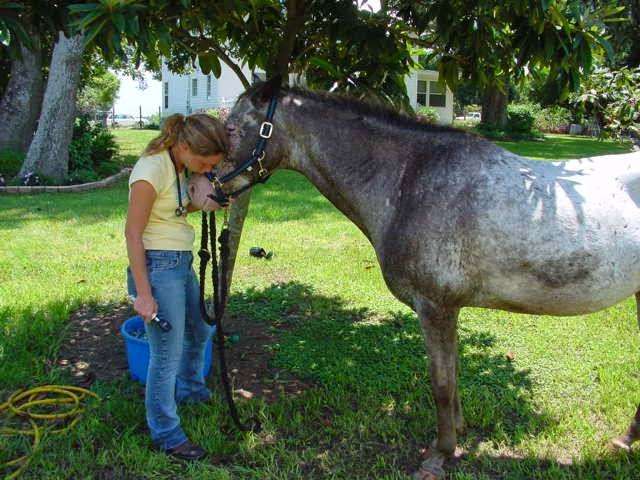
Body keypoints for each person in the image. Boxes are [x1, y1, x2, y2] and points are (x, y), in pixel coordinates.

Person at [124, 113, 227, 460]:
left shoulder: (179, 165)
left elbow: (172, 213)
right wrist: (144, 293)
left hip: (179, 261)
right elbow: (133, 233)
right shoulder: (150, 171)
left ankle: (191, 391)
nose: (206, 169)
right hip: (158, 266)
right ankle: (167, 433)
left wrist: (203, 203)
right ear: (185, 146)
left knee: (199, 330)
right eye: (205, 162)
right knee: (165, 355)